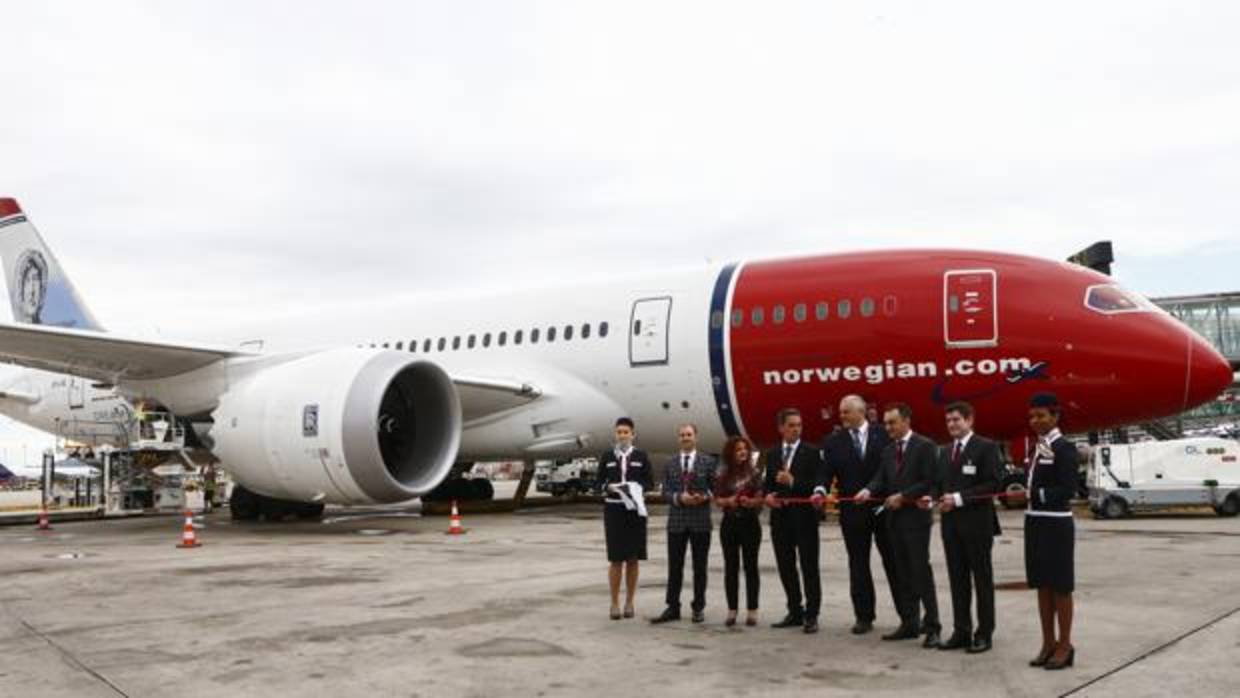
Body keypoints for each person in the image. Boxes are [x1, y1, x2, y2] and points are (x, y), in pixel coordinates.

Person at [856, 402, 941, 648]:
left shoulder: (925, 446)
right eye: (886, 423)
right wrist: (867, 490)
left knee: (920, 572)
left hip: (915, 520)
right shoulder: (888, 451)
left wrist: (904, 496)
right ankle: (909, 622)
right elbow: (881, 478)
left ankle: (933, 626)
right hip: (893, 520)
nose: (888, 427)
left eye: (892, 422)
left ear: (906, 421)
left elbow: (929, 481)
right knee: (902, 573)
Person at [821, 394, 897, 635]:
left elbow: (892, 469)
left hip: (883, 509)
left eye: (846, 412)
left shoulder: (884, 435)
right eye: (841, 412)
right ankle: (864, 616)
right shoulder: (834, 442)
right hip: (852, 512)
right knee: (858, 564)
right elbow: (825, 472)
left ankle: (908, 614)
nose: (841, 416)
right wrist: (820, 488)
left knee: (894, 562)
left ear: (860, 412)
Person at [935, 401, 1003, 654]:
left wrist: (959, 498)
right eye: (949, 420)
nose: (952, 424)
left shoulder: (986, 447)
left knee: (982, 580)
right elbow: (939, 484)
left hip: (977, 525)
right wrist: (932, 498)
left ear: (969, 420)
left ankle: (984, 633)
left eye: (956, 419)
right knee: (957, 580)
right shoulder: (943, 452)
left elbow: (994, 484)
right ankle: (961, 631)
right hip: (951, 527)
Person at [1024, 393, 1078, 670]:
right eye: (1032, 416)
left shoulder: (1065, 448)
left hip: (1056, 522)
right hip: (1034, 521)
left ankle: (1065, 644)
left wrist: (1034, 493)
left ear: (1055, 416)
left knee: (1060, 586)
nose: (1035, 421)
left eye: (1041, 416)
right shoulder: (1039, 446)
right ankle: (1048, 643)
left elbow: (1068, 490)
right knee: (1041, 585)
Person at [763, 408, 828, 634]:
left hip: (805, 519)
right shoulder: (771, 454)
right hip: (780, 519)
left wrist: (793, 481)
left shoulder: (812, 452)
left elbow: (817, 483)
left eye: (799, 425)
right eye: (791, 425)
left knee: (809, 567)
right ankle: (794, 610)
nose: (796, 429)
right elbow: (768, 484)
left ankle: (812, 614)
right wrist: (768, 497)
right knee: (786, 566)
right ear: (781, 428)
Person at [652, 424, 717, 624]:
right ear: (678, 438)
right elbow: (665, 492)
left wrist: (703, 497)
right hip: (677, 522)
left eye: (689, 434)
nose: (685, 437)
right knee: (675, 566)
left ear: (696, 437)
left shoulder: (708, 461)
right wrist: (679, 498)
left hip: (700, 521)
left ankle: (698, 607)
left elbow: (715, 489)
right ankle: (673, 607)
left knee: (700, 567)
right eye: (682, 435)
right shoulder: (670, 463)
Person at [594, 417, 654, 621]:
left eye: (625, 432)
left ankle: (629, 601)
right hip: (614, 512)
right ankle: (614, 603)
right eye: (619, 432)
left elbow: (649, 483)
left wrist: (636, 488)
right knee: (616, 559)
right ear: (615, 434)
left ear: (633, 434)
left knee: (633, 559)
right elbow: (598, 483)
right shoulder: (607, 456)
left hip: (635, 512)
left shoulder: (641, 456)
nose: (622, 435)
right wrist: (608, 487)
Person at [713, 435, 765, 627]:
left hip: (750, 524)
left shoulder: (755, 473)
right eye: (738, 449)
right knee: (731, 568)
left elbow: (761, 498)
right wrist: (728, 501)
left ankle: (752, 611)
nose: (742, 452)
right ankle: (732, 610)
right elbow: (717, 499)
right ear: (730, 453)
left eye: (745, 449)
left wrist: (751, 502)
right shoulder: (722, 475)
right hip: (729, 525)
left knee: (751, 567)